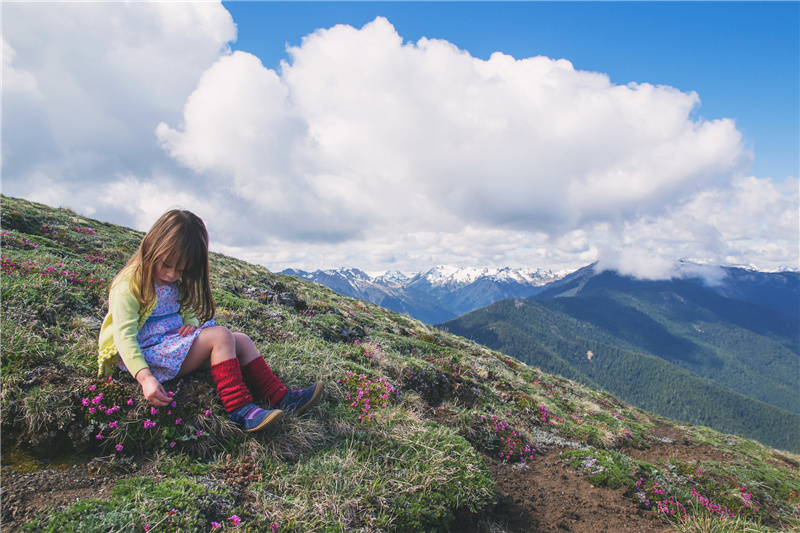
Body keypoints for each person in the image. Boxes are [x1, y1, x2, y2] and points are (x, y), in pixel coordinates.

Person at [97, 209, 324, 433]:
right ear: (152, 247)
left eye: (180, 269)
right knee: (221, 336)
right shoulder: (129, 284)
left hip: (170, 345)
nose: (171, 274)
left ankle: (280, 397)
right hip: (146, 356)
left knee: (241, 341)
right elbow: (124, 337)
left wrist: (192, 325)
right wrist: (145, 377)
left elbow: (183, 309)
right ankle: (240, 411)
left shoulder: (175, 281)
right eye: (166, 265)